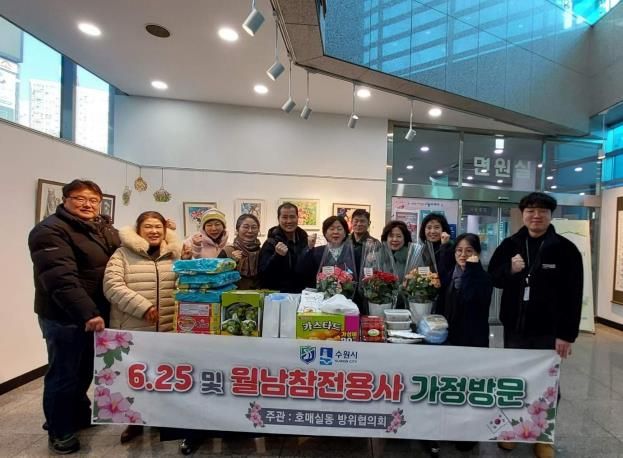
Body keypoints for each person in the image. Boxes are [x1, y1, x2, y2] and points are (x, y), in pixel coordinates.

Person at [28, 179, 121, 454]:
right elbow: (60, 278)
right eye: (80, 198)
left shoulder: (102, 228)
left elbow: (126, 250)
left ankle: (77, 414)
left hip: (94, 313)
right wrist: (87, 313)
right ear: (65, 199)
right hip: (64, 315)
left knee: (84, 369)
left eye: (93, 200)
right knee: (63, 373)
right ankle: (59, 430)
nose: (87, 204)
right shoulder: (49, 231)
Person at [488, 192, 583, 458]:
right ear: (523, 214)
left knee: (548, 382)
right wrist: (510, 270)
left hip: (549, 331)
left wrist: (567, 335)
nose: (536, 216)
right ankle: (513, 430)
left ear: (551, 215)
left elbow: (574, 295)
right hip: (516, 329)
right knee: (514, 380)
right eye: (531, 211)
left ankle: (542, 435)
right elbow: (493, 278)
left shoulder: (566, 249)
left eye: (542, 211)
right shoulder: (510, 245)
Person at [103, 211, 181, 444]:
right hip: (133, 326)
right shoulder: (122, 254)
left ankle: (159, 418)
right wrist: (143, 307)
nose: (154, 231)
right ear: (138, 229)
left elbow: (182, 284)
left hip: (166, 326)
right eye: (148, 226)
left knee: (162, 375)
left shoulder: (173, 254)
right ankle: (134, 422)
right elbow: (112, 286)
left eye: (158, 227)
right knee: (134, 376)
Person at [435, 233, 492, 453]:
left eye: (469, 251)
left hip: (472, 340)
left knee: (469, 387)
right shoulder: (452, 274)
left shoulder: (482, 278)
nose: (463, 255)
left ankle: (468, 434)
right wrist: (445, 247)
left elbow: (470, 297)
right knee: (451, 386)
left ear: (477, 253)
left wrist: (473, 269)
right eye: (459, 250)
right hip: (451, 339)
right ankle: (450, 428)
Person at [259, 202, 315, 292]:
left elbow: (309, 269)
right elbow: (263, 274)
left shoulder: (304, 240)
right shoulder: (271, 242)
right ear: (278, 219)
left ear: (297, 218)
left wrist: (310, 250)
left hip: (302, 293)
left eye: (292, 217)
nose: (289, 221)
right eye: (284, 217)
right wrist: (277, 256)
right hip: (279, 294)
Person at [297, 216, 355, 289]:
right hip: (321, 293)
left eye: (339, 229)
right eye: (331, 229)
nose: (335, 232)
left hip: (347, 294)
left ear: (345, 233)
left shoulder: (353, 252)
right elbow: (301, 270)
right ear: (325, 233)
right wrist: (309, 248)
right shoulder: (316, 251)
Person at [219, 213, 261, 289]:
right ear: (237, 229)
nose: (250, 231)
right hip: (232, 294)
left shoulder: (262, 252)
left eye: (254, 227)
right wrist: (231, 262)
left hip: (259, 294)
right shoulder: (228, 251)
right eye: (246, 227)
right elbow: (216, 277)